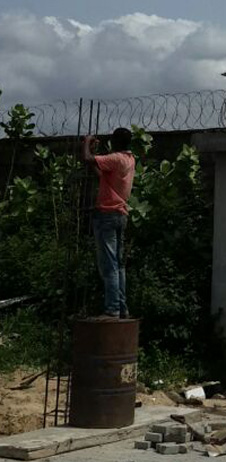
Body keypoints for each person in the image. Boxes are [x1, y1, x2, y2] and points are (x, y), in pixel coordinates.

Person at [81, 128, 136, 320]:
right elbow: (102, 173)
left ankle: (112, 309)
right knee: (119, 264)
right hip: (121, 214)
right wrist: (96, 158)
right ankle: (122, 307)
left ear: (115, 141)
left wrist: (87, 143)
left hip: (107, 214)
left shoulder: (115, 158)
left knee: (109, 264)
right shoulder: (129, 160)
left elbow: (88, 159)